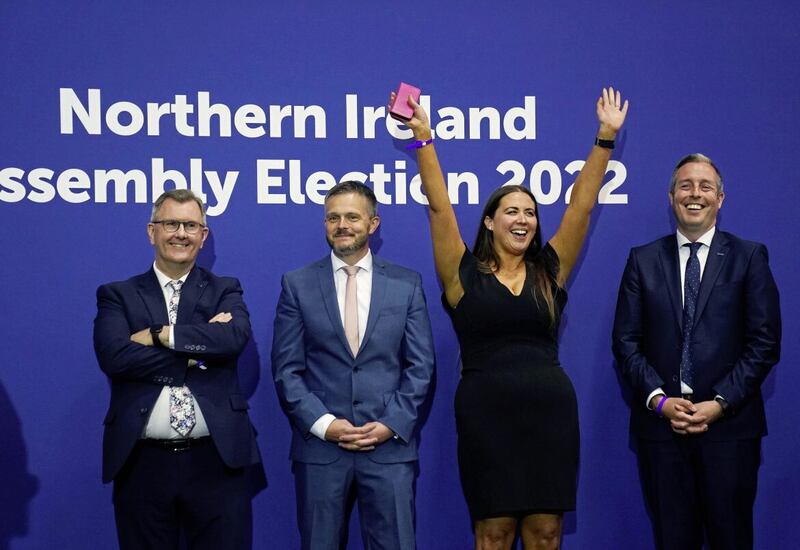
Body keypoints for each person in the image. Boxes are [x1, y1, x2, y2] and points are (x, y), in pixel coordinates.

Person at [397, 87, 629, 549]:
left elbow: (581, 207)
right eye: (511, 211)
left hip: (550, 418)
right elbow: (440, 207)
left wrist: (605, 138)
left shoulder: (550, 270)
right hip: (487, 419)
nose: (523, 219)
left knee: (546, 534)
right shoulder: (461, 275)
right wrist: (424, 140)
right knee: (495, 534)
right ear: (489, 222)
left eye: (530, 213)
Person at [612, 154, 781, 550]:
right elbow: (626, 342)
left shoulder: (749, 257)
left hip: (730, 432)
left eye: (705, 186)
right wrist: (659, 401)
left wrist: (720, 402)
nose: (695, 194)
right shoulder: (643, 260)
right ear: (671, 196)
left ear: (720, 198)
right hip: (661, 433)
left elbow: (764, 342)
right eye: (686, 185)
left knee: (731, 539)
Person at [93, 189, 262, 550]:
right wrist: (198, 353)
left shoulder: (224, 289)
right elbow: (115, 357)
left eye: (190, 225)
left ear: (203, 236)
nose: (180, 233)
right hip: (142, 463)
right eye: (171, 223)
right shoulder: (117, 294)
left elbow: (232, 339)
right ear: (151, 231)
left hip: (216, 460)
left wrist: (159, 335)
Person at [271, 181, 435, 550]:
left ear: (373, 224)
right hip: (321, 451)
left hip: (389, 449)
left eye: (352, 217)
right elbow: (287, 369)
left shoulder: (406, 285)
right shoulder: (297, 285)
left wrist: (391, 424)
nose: (342, 225)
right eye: (333, 217)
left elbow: (421, 366)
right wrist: (325, 425)